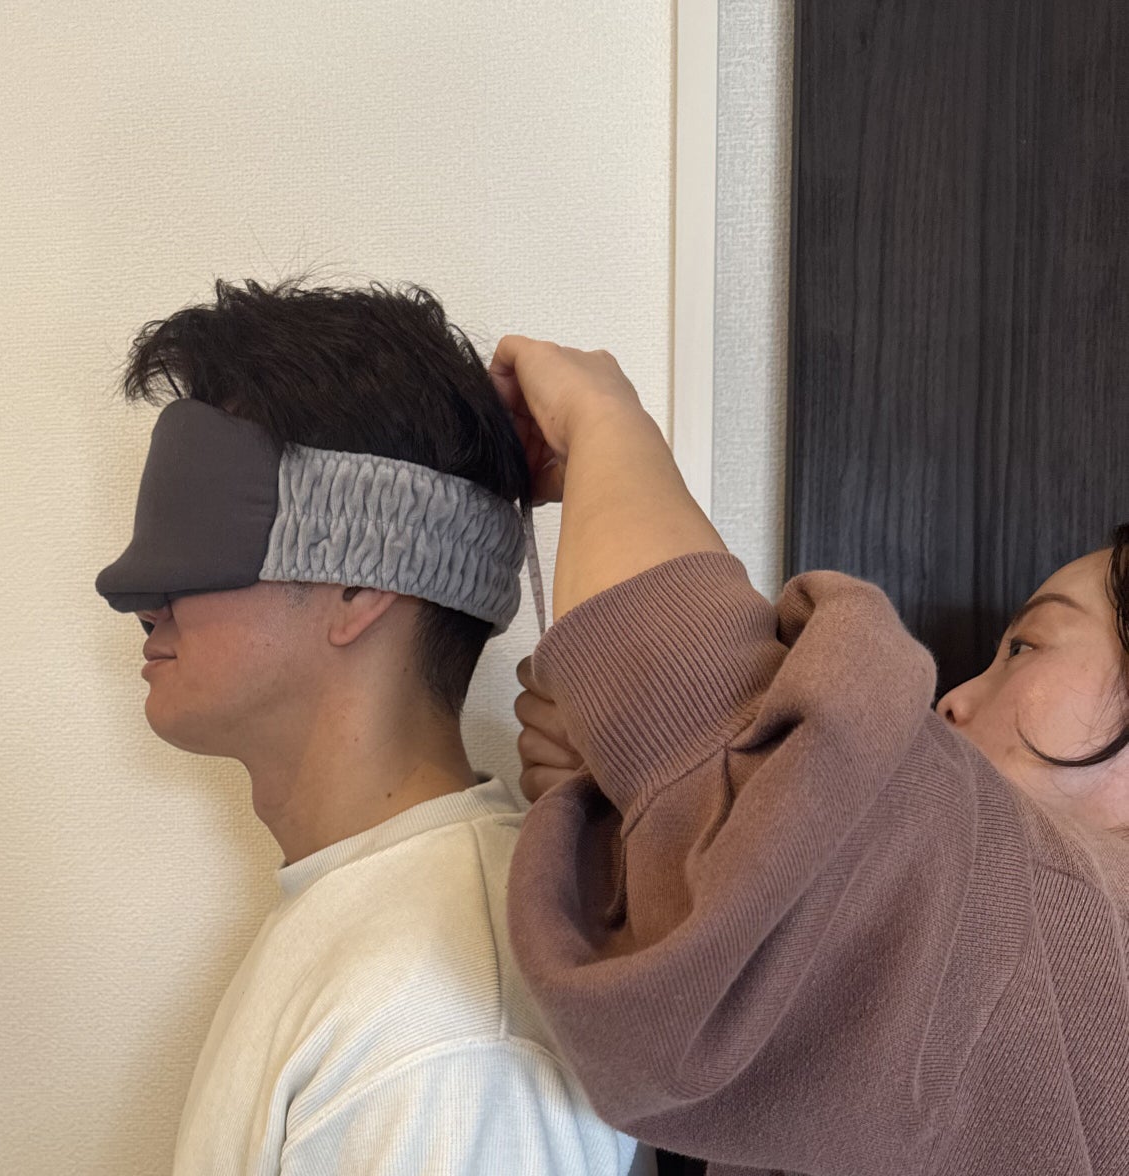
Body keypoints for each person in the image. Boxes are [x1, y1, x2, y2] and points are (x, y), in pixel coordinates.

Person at [492, 337, 1129, 1175]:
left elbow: (766, 820)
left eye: (1025, 646)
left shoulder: (1087, 933)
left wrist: (604, 420)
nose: (955, 699)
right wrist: (624, 807)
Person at [96, 282, 639, 1175]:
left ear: (359, 582)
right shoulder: (377, 944)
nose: (140, 599)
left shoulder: (444, 1032)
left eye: (193, 524)